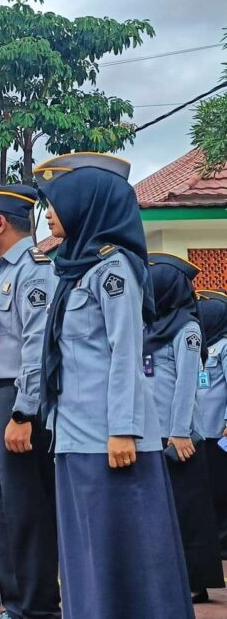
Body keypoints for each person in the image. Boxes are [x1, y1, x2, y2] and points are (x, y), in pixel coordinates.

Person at [35, 152, 193, 619]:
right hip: (75, 434)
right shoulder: (73, 269)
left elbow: (126, 353)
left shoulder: (114, 269)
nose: (48, 213)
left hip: (110, 437)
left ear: (86, 205)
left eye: (55, 203)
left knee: (124, 553)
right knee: (85, 551)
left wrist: (122, 427)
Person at [0, 182, 62, 619]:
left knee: (25, 510)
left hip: (15, 401)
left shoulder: (34, 269)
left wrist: (24, 412)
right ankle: (16, 603)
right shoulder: (0, 274)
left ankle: (37, 605)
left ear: (0, 222)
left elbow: (35, 345)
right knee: (1, 510)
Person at [145, 253, 223, 603]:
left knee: (187, 511)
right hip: (150, 432)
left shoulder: (188, 329)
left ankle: (195, 581)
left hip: (179, 436)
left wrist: (179, 432)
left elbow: (186, 383)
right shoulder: (150, 325)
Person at [196, 293, 227, 556]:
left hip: (220, 430)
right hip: (200, 431)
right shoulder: (199, 346)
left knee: (221, 486)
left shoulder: (225, 346)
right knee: (208, 488)